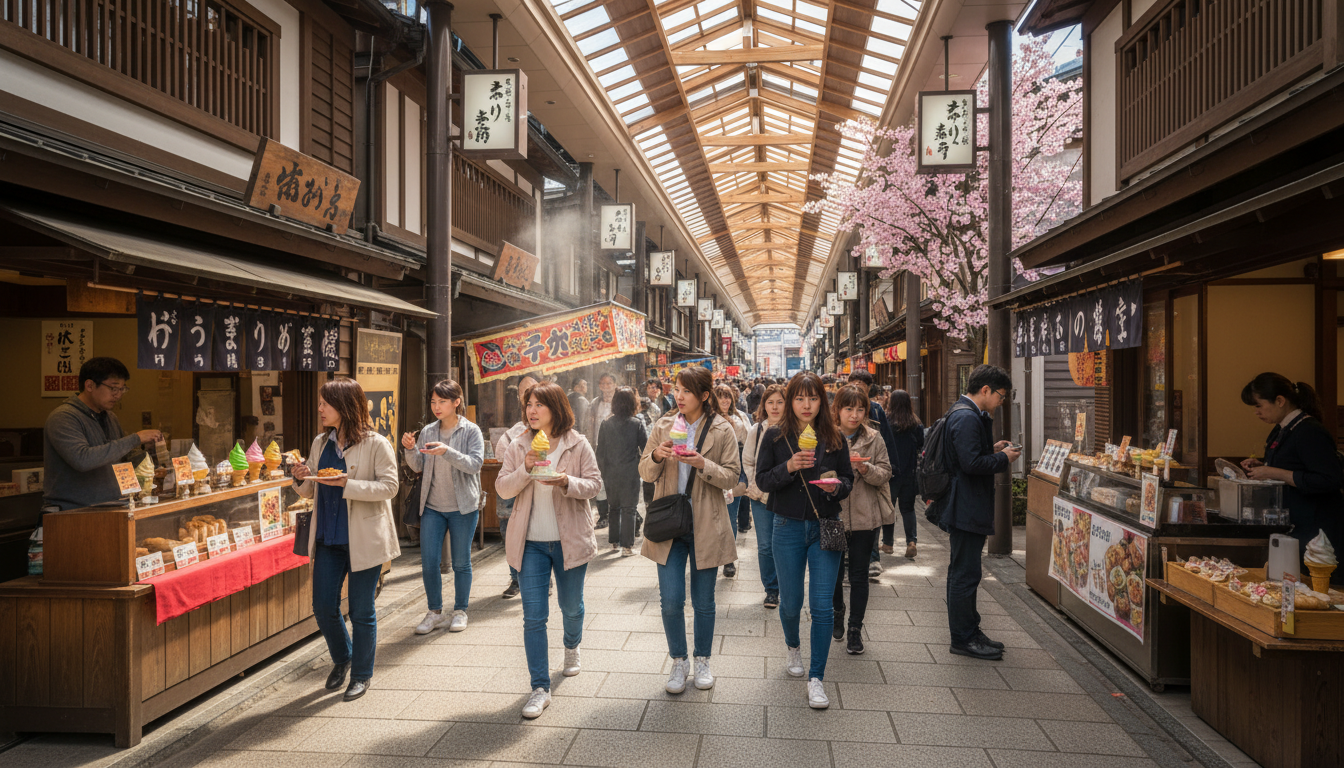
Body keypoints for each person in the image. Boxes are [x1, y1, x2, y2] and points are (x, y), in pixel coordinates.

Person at [495, 382, 602, 719]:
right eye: (529, 404)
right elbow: (502, 488)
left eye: (539, 404)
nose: (532, 410)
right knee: (534, 616)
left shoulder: (577, 443)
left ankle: (572, 646)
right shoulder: (519, 445)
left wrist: (566, 482)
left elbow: (595, 485)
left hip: (570, 540)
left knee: (571, 606)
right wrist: (525, 469)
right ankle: (540, 687)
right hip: (530, 544)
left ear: (556, 408)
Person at [293, 379, 400, 702]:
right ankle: (344, 657)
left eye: (325, 403)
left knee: (361, 610)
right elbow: (310, 488)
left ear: (344, 406)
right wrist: (300, 478)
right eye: (321, 403)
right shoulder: (320, 442)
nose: (320, 409)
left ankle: (362, 675)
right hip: (328, 537)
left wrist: (348, 484)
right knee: (323, 606)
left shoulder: (376, 444)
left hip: (364, 538)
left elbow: (390, 487)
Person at [755, 371, 854, 709]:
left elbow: (848, 479)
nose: (806, 405)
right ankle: (793, 646)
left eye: (813, 398)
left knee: (822, 605)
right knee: (790, 603)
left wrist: (836, 487)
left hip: (825, 525)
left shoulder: (834, 436)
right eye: (799, 398)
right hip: (787, 526)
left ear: (822, 401)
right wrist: (789, 466)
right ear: (790, 401)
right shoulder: (775, 436)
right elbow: (762, 481)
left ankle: (816, 678)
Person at [640, 366, 740, 695]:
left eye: (686, 391)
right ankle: (679, 660)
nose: (679, 396)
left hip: (706, 524)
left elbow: (732, 476)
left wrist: (702, 463)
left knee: (704, 601)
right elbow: (644, 470)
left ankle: (703, 660)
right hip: (670, 524)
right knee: (670, 600)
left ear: (704, 395)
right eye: (677, 389)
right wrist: (657, 456)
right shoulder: (663, 425)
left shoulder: (722, 429)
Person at [936, 364, 1020, 661]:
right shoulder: (967, 417)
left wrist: (992, 449)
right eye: (1001, 396)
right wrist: (1003, 458)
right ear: (985, 390)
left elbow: (967, 456)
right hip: (966, 506)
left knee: (965, 572)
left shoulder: (963, 412)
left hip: (964, 504)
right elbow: (971, 464)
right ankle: (963, 638)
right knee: (965, 574)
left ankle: (971, 631)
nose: (1001, 402)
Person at [1239, 373, 1344, 583]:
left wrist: (1274, 472)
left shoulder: (1309, 430)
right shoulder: (1282, 430)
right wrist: (1263, 467)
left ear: (1280, 400)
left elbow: (1329, 479)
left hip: (1318, 533)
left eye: (1259, 405)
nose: (1257, 412)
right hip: (1295, 526)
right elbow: (1292, 465)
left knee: (1319, 591)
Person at [401, 379, 484, 634]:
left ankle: (460, 611)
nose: (436, 407)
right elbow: (419, 465)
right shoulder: (428, 431)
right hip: (432, 507)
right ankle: (434, 612)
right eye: (433, 402)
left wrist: (447, 451)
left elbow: (475, 465)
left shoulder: (471, 431)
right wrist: (410, 449)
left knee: (461, 562)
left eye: (442, 401)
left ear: (456, 402)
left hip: (463, 507)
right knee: (429, 563)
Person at [42, 357, 162, 511]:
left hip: (110, 506)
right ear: (89, 385)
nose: (118, 395)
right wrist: (136, 438)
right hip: (72, 511)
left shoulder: (110, 417)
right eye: (113, 388)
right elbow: (82, 459)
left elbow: (122, 457)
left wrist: (150, 454)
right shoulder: (63, 417)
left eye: (122, 389)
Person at [831, 385, 894, 656]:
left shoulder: (874, 437)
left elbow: (886, 472)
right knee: (832, 575)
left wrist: (865, 467)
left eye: (860, 409)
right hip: (833, 516)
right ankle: (837, 611)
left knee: (859, 575)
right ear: (838, 410)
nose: (854, 415)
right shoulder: (826, 436)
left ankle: (855, 628)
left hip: (865, 517)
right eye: (849, 409)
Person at [847, 370, 897, 579]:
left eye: (862, 384)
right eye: (854, 383)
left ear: (869, 388)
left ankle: (873, 558)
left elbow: (887, 441)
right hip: (847, 485)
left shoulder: (876, 410)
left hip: (871, 471)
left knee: (871, 516)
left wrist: (888, 469)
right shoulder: (839, 414)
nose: (855, 414)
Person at [493, 374, 540, 599]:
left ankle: (543, 578)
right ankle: (516, 579)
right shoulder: (512, 433)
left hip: (538, 492)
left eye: (531, 389)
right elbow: (500, 455)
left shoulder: (551, 430)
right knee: (510, 534)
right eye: (523, 392)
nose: (526, 396)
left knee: (537, 534)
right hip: (512, 492)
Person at [743, 383, 786, 608]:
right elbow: (748, 461)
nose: (775, 407)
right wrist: (756, 483)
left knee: (785, 544)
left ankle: (787, 586)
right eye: (770, 402)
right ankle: (771, 589)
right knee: (765, 545)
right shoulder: (757, 429)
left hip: (787, 496)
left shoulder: (794, 429)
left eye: (780, 402)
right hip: (760, 496)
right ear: (764, 405)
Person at [597, 387, 648, 557]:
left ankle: (614, 542)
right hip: (630, 472)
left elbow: (600, 452)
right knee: (629, 509)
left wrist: (604, 471)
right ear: (633, 403)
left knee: (613, 508)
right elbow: (645, 448)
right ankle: (627, 547)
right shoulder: (637, 423)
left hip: (611, 473)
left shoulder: (606, 423)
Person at [714, 384, 750, 577]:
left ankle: (729, 560)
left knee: (730, 516)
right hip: (713, 470)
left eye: (727, 396)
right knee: (712, 517)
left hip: (735, 470)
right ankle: (712, 555)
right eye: (720, 396)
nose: (725, 400)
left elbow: (749, 443)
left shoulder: (741, 417)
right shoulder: (708, 418)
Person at [885, 389, 925, 559]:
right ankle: (911, 542)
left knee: (889, 509)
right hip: (909, 473)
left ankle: (888, 543)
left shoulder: (887, 423)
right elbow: (921, 445)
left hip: (891, 474)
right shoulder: (916, 424)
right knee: (908, 509)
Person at [588, 373, 617, 529]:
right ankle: (603, 515)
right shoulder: (595, 403)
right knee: (599, 480)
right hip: (598, 447)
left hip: (616, 448)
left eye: (609, 383)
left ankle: (615, 513)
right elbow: (589, 424)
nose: (606, 386)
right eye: (603, 383)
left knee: (614, 481)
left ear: (615, 385)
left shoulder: (619, 402)